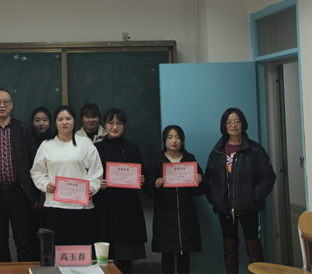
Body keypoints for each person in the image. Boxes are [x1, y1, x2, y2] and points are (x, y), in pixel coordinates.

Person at [205, 108, 276, 274]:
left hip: (249, 208)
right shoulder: (218, 151)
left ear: (243, 123)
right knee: (229, 249)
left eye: (237, 121)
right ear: (224, 126)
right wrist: (216, 197)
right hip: (225, 208)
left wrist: (254, 197)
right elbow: (209, 177)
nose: (233, 125)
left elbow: (268, 177)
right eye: (229, 122)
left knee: (254, 250)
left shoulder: (255, 150)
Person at [0, 88, 39, 262]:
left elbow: (34, 164)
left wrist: (34, 195)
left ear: (11, 105)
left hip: (19, 192)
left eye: (6, 102)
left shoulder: (24, 130)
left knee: (23, 240)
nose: (1, 105)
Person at [30, 105, 103, 246]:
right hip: (55, 204)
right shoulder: (46, 145)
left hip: (81, 206)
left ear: (74, 121)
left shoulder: (85, 143)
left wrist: (92, 188)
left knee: (81, 244)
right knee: (59, 245)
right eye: (60, 119)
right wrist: (45, 185)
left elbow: (96, 170)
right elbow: (37, 171)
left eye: (68, 119)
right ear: (55, 122)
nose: (65, 122)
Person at [144, 125, 207, 274]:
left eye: (178, 137)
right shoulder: (156, 160)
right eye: (170, 137)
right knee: (167, 252)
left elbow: (201, 190)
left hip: (186, 215)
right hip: (164, 215)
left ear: (182, 141)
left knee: (184, 253)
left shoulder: (189, 160)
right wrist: (155, 184)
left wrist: (199, 181)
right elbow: (148, 187)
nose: (174, 141)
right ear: (164, 140)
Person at [93, 108, 147, 274]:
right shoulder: (96, 148)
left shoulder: (132, 148)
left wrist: (141, 179)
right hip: (103, 208)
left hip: (127, 209)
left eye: (119, 123)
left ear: (124, 126)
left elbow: (143, 176)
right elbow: (88, 176)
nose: (115, 127)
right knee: (104, 256)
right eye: (111, 123)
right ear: (104, 125)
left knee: (125, 257)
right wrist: (97, 183)